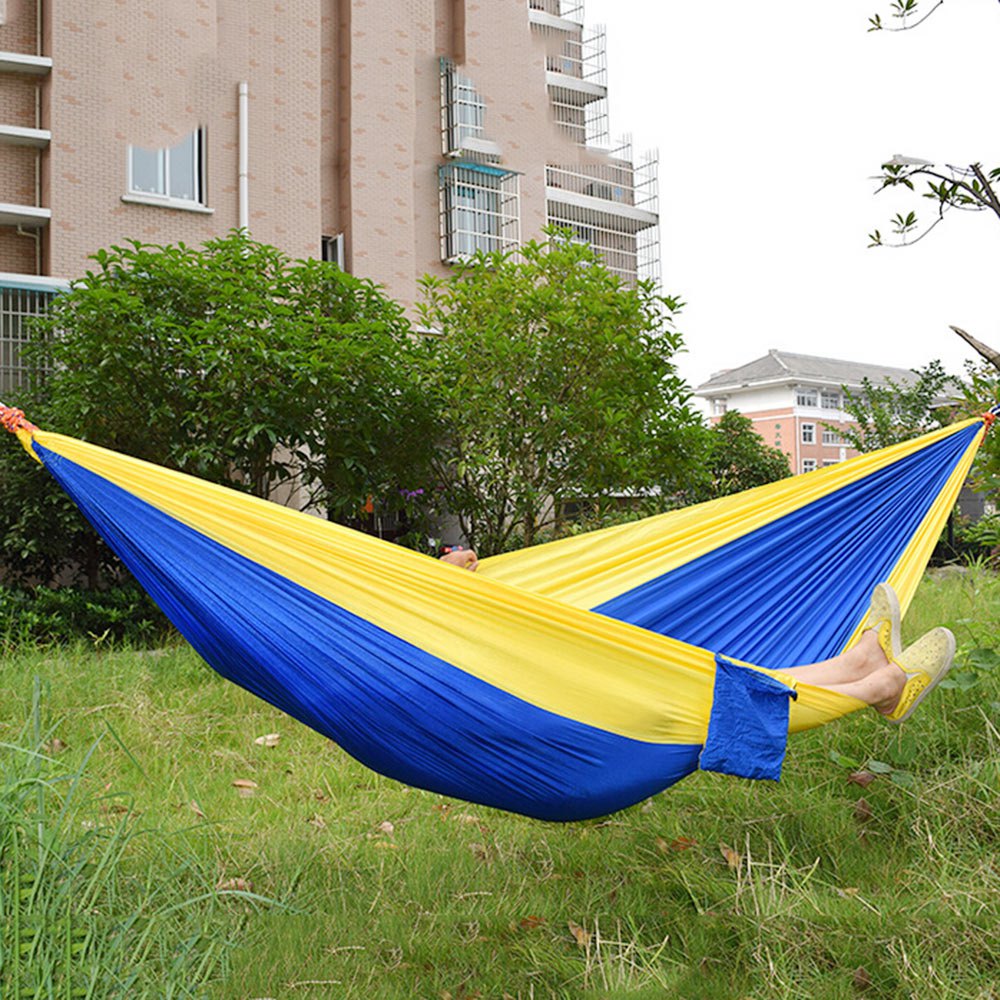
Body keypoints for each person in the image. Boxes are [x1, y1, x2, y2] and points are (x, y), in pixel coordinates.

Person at [438, 549, 953, 724]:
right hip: (542, 733)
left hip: (512, 694)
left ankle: (853, 669)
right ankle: (878, 689)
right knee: (684, 707)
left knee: (691, 682)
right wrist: (441, 587)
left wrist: (440, 583)